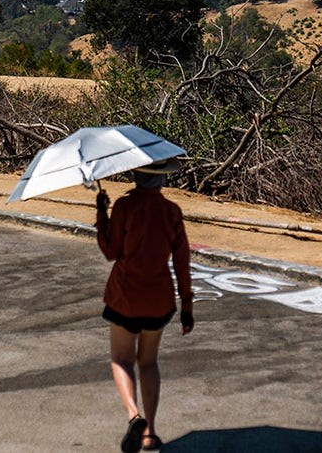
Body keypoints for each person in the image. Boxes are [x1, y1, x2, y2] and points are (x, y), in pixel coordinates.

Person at [95, 160, 194, 453]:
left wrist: (102, 213)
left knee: (121, 360)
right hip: (158, 299)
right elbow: (182, 262)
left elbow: (110, 252)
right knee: (148, 362)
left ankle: (133, 415)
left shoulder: (124, 207)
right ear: (161, 180)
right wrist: (187, 305)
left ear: (135, 176)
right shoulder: (171, 212)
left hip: (125, 296)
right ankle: (149, 433)